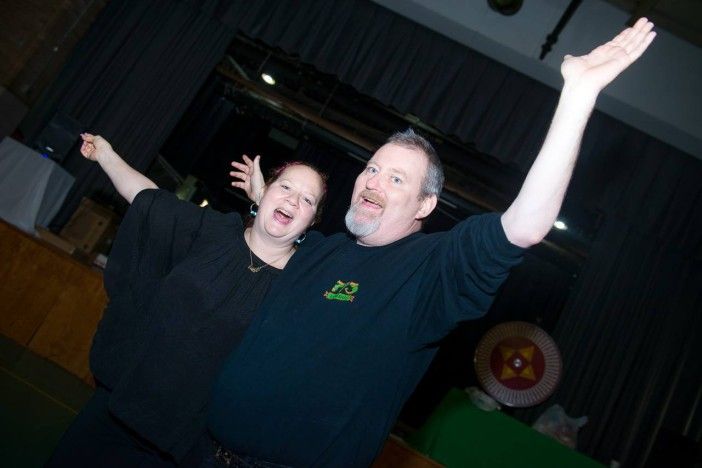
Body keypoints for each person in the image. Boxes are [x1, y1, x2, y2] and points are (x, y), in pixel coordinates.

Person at [199, 19, 656, 467]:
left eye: (396, 178)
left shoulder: (431, 269)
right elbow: (264, 250)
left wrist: (578, 96)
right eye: (372, 169)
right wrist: (268, 198)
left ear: (424, 205)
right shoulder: (320, 250)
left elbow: (525, 226)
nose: (374, 183)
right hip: (202, 449)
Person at [46, 135, 327, 467]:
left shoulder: (300, 288)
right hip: (116, 410)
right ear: (264, 191)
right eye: (286, 188)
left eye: (307, 200)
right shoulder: (212, 231)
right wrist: (106, 155)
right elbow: (148, 199)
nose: (294, 201)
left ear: (312, 221)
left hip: (182, 447)